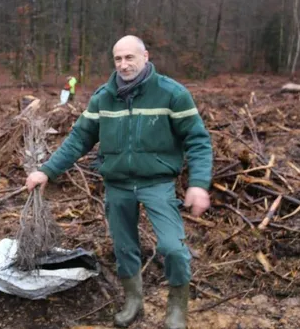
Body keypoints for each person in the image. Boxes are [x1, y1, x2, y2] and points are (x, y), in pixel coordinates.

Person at [25, 35, 212, 329]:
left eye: (130, 58)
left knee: (173, 247)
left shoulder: (171, 94)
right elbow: (79, 140)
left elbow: (198, 141)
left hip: (157, 182)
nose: (123, 65)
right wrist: (46, 171)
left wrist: (199, 183)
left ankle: (177, 307)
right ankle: (133, 301)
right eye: (118, 59)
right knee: (124, 248)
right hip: (118, 185)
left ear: (145, 57)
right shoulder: (103, 97)